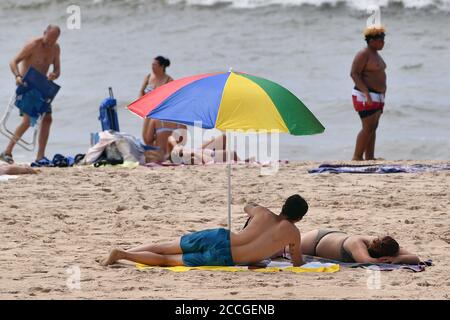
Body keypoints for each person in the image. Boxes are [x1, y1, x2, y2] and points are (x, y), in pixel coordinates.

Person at [99, 194, 309, 267]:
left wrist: (253, 211)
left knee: (163, 247)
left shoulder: (262, 212)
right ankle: (124, 255)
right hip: (225, 257)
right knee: (167, 261)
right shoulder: (293, 233)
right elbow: (297, 261)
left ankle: (123, 253)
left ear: (283, 207)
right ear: (299, 218)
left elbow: (247, 205)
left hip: (220, 236)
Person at [0, 25, 61, 165]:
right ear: (44, 33)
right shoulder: (33, 45)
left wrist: (54, 75)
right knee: (27, 121)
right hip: (27, 86)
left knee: (47, 119)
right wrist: (17, 76)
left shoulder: (56, 48)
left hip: (43, 87)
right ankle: (7, 151)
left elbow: (57, 69)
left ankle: (40, 157)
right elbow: (13, 61)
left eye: (54, 40)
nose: (50, 43)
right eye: (49, 39)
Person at [275, 229, 420, 264]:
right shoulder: (357, 244)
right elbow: (367, 261)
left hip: (334, 236)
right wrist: (389, 259)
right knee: (279, 251)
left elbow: (416, 258)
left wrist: (395, 259)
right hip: (315, 241)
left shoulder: (386, 245)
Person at [350, 25, 387, 161]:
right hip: (364, 95)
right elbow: (354, 74)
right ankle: (357, 157)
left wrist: (383, 95)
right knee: (367, 127)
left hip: (378, 96)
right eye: (380, 39)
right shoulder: (363, 54)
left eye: (384, 39)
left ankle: (370, 156)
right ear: (371, 40)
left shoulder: (376, 54)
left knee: (373, 127)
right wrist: (366, 93)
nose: (383, 42)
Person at [140, 56, 174, 147]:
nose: (152, 67)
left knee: (157, 137)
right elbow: (141, 92)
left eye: (155, 65)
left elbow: (172, 99)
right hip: (149, 111)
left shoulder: (169, 80)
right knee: (146, 138)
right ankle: (154, 151)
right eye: (152, 65)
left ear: (162, 66)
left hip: (160, 112)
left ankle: (160, 153)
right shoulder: (148, 77)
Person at [167, 133, 239, 164]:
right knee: (233, 154)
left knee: (223, 137)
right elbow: (206, 159)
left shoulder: (181, 149)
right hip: (212, 155)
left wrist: (210, 141)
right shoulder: (186, 156)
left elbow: (170, 138)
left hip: (208, 152)